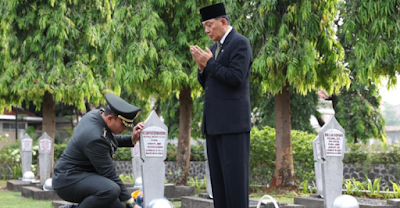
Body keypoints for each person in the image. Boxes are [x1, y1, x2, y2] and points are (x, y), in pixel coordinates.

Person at [189, 2, 253, 208]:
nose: (207, 31)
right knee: (219, 184)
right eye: (204, 27)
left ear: (223, 22)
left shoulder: (239, 43)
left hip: (233, 125)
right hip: (215, 124)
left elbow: (235, 77)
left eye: (209, 25)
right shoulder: (216, 49)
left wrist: (209, 64)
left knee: (235, 183)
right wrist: (202, 68)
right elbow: (210, 83)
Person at [53, 93, 143, 208]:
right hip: (68, 181)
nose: (125, 129)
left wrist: (132, 139)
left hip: (83, 176)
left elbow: (109, 140)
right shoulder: (94, 137)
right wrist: (132, 204)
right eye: (123, 125)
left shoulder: (96, 117)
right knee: (111, 189)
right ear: (110, 118)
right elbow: (110, 175)